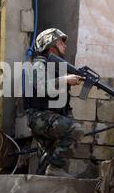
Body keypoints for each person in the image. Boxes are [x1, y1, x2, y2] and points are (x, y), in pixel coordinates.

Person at [24, 28, 86, 178]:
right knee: (76, 130)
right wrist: (65, 80)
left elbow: (63, 102)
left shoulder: (56, 68)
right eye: (60, 42)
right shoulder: (39, 65)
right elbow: (41, 87)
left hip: (50, 117)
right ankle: (55, 168)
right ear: (51, 46)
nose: (65, 46)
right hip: (39, 117)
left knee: (45, 162)